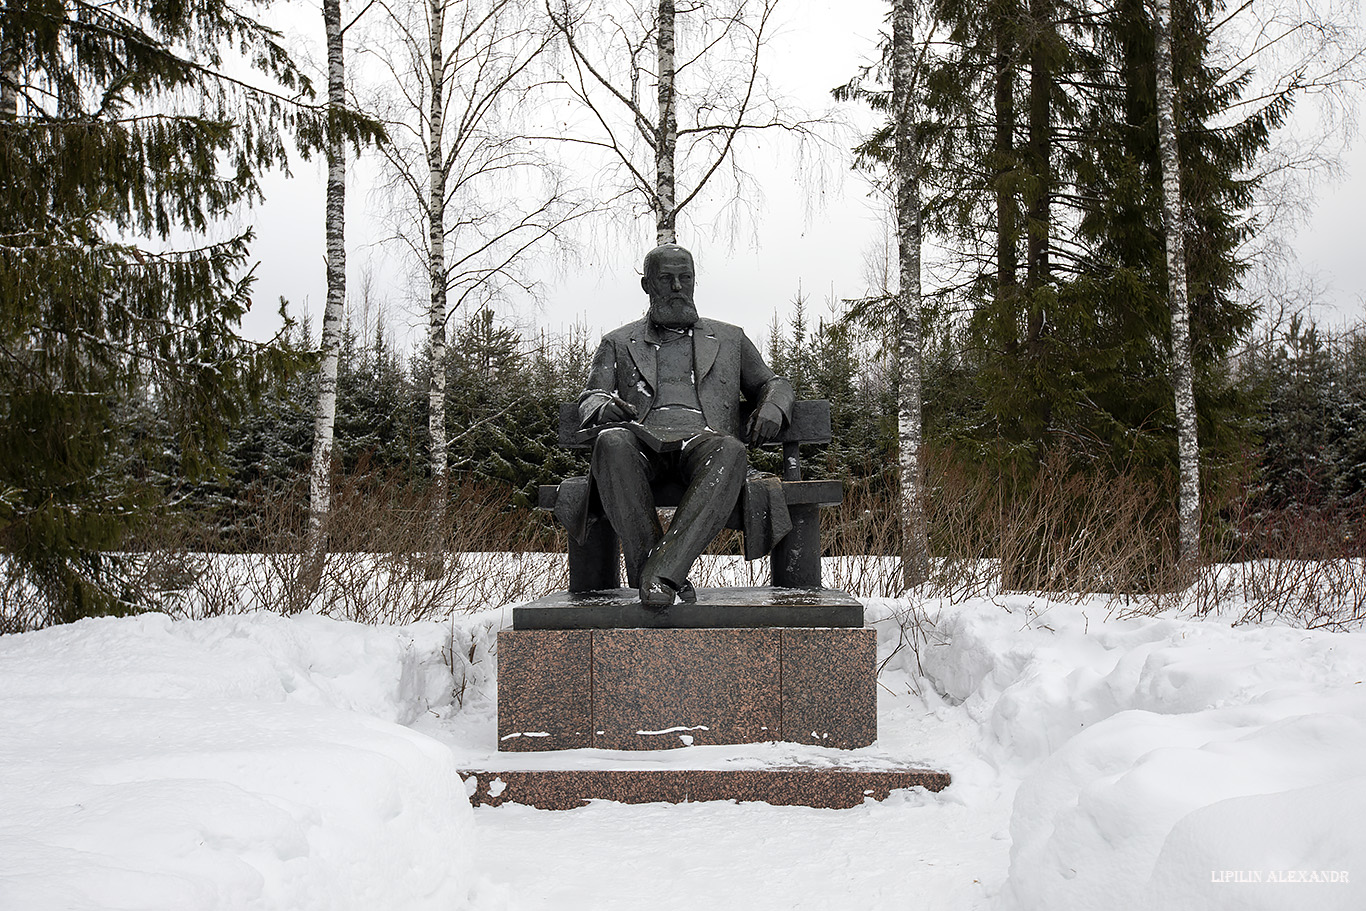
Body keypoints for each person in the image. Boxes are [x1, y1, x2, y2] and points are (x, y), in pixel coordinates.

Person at [578, 243, 794, 608]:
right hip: (641, 444)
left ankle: (658, 572)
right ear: (647, 286)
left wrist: (773, 404)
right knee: (612, 443)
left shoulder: (729, 339)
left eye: (686, 277)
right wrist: (603, 409)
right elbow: (592, 395)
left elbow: (773, 383)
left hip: (703, 442)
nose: (678, 287)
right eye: (666, 279)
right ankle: (659, 568)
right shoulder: (618, 342)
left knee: (731, 449)